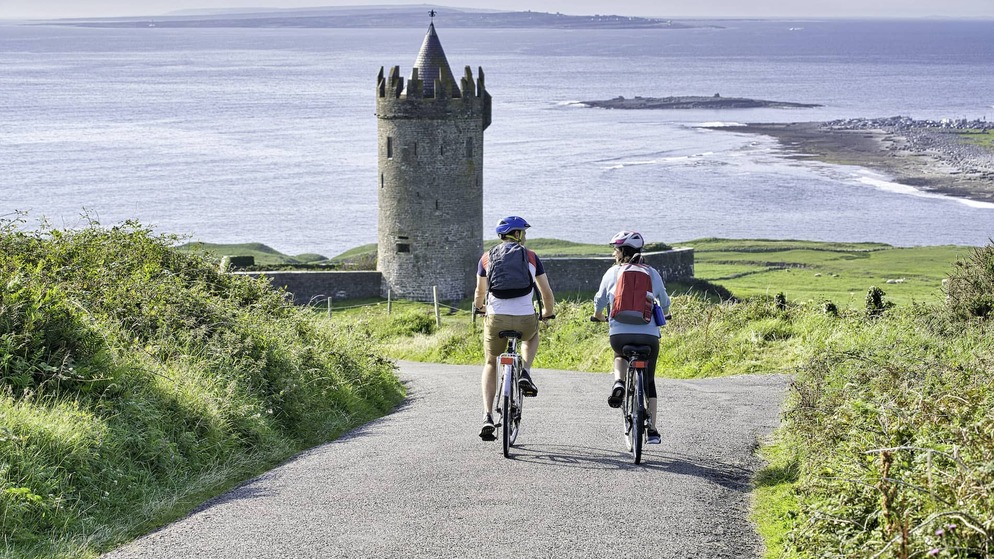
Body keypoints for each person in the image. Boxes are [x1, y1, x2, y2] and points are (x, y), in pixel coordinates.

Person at [474, 216, 556, 441]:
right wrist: (547, 313)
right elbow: (546, 293)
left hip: (496, 319)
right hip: (524, 319)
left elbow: (480, 293)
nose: (525, 236)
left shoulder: (485, 258)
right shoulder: (531, 257)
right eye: (524, 232)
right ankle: (526, 371)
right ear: (517, 234)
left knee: (491, 362)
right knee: (532, 336)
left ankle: (488, 416)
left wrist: (480, 308)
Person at [592, 230, 670, 445]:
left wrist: (598, 315)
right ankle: (652, 430)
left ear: (621, 251)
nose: (613, 254)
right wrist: (665, 310)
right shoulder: (651, 272)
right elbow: (664, 300)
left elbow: (599, 299)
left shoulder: (612, 272)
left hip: (620, 334)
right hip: (649, 336)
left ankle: (619, 381)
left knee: (620, 354)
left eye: (615, 250)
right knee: (650, 382)